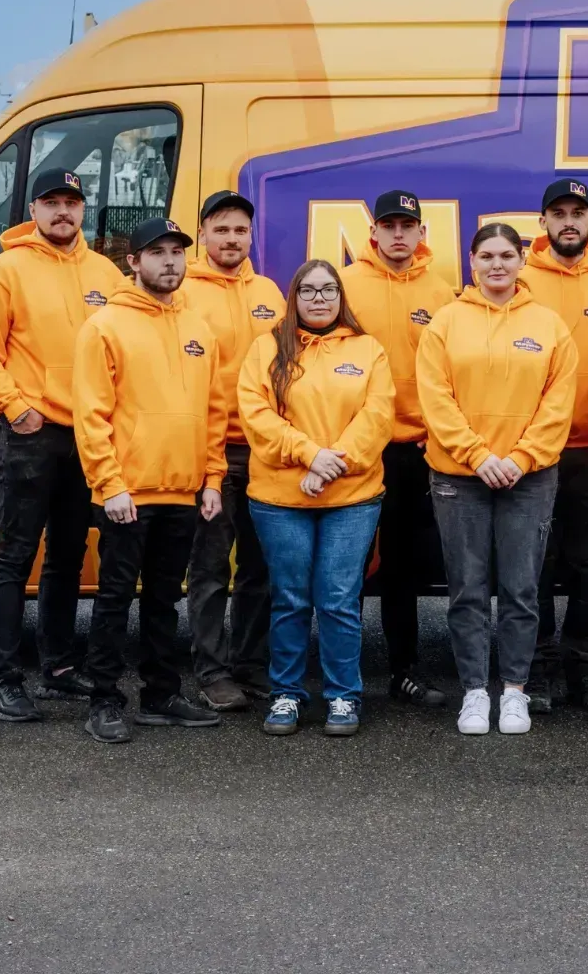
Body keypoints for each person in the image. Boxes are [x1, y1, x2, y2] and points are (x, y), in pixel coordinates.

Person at [0, 166, 126, 723]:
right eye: (52, 202)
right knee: (13, 558)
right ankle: (2, 679)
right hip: (32, 437)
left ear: (84, 210)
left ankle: (57, 666)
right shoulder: (5, 271)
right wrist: (17, 409)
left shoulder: (107, 272)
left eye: (72, 203)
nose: (63, 212)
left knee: (66, 556)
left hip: (87, 437)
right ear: (33, 210)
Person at [417, 222, 578, 736]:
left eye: (507, 255)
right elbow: (436, 399)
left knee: (521, 589)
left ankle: (514, 692)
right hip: (459, 476)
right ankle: (472, 692)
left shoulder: (550, 325)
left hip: (528, 477)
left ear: (522, 260)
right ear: (471, 261)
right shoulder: (445, 323)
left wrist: (523, 456)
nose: (497, 265)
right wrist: (477, 455)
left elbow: (558, 403)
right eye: (486, 255)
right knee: (466, 589)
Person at [73, 217, 229, 744]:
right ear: (132, 262)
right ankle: (104, 700)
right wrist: (110, 484)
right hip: (128, 493)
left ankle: (161, 696)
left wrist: (212, 477)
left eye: (177, 252)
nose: (169, 261)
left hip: (183, 489)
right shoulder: (105, 326)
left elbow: (213, 410)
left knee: (166, 598)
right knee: (115, 598)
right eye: (156, 252)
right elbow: (91, 415)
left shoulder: (198, 328)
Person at [238, 260, 394, 738]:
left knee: (338, 599)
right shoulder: (266, 348)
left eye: (329, 290)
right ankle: (286, 692)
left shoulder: (369, 350)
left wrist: (332, 465)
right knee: (289, 598)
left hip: (352, 497)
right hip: (279, 498)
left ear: (341, 297)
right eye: (309, 290)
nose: (320, 299)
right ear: (294, 296)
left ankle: (343, 695)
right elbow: (256, 415)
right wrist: (310, 456)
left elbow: (378, 415)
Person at [341, 189, 455, 709]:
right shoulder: (344, 286)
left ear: (421, 233)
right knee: (343, 567)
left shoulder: (443, 293)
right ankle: (337, 672)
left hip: (415, 449)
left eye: (407, 225)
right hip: (355, 448)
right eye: (389, 226)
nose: (399, 234)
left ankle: (404, 670)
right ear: (373, 234)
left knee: (403, 569)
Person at [520, 178, 588, 714]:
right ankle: (535, 667)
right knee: (532, 564)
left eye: (577, 213)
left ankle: (586, 665)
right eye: (558, 212)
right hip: (532, 451)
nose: (568, 221)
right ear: (542, 222)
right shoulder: (518, 281)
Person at [179, 189, 285, 711]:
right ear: (202, 235)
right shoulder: (184, 292)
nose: (231, 238)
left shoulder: (268, 291)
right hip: (211, 451)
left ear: (251, 235)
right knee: (211, 566)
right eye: (221, 229)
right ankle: (212, 671)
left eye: (240, 230)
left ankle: (250, 664)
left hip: (265, 450)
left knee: (260, 568)